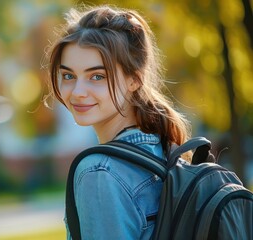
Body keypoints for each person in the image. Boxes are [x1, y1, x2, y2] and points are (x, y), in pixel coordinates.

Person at [45, 5, 192, 240]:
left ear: (134, 79)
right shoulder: (163, 148)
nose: (78, 92)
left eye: (97, 77)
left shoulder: (99, 171)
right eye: (68, 76)